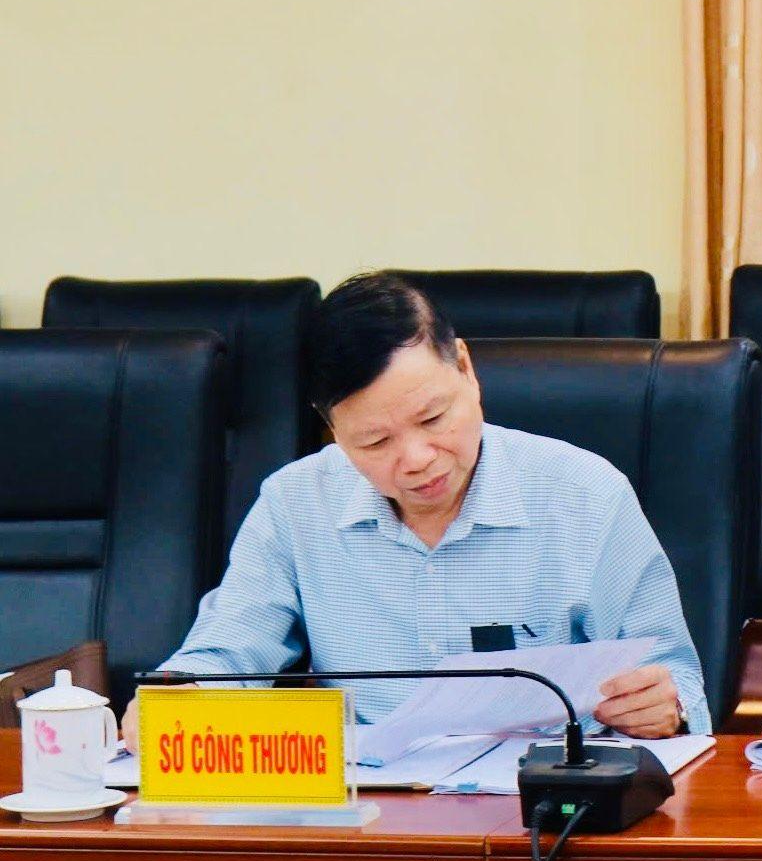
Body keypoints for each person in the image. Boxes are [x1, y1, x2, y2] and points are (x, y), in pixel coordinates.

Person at [123, 272, 711, 745]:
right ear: (331, 430)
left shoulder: (585, 493)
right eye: (374, 442)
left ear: (466, 370)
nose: (416, 460)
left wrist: (665, 703)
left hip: (542, 810)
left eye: (432, 418)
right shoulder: (294, 504)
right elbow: (228, 653)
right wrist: (179, 695)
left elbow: (676, 675)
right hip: (370, 815)